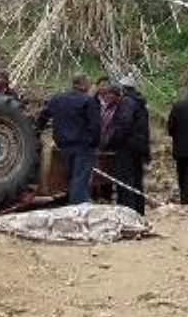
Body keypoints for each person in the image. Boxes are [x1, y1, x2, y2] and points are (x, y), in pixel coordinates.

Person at [35, 73, 100, 204]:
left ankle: (71, 206)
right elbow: (95, 125)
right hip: (83, 146)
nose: (90, 86)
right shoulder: (88, 100)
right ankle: (78, 209)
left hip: (63, 146)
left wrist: (37, 131)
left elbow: (43, 115)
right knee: (80, 180)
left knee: (70, 178)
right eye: (89, 83)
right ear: (82, 84)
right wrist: (94, 143)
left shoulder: (58, 98)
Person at [101, 83, 148, 214]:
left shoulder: (126, 103)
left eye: (108, 95)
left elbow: (123, 125)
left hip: (127, 147)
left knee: (125, 181)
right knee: (136, 180)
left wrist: (108, 143)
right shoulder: (138, 102)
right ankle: (139, 211)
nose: (107, 99)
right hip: (138, 146)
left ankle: (128, 212)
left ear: (116, 93)